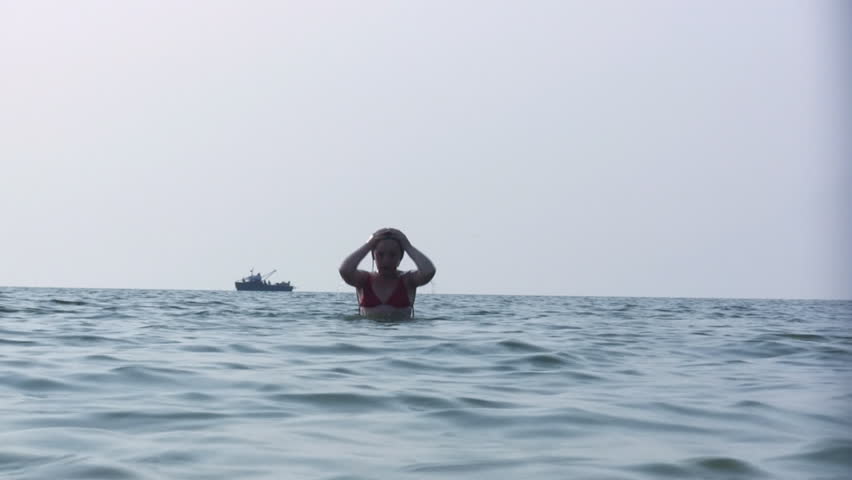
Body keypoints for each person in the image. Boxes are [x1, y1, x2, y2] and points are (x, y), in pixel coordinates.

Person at [339, 228, 436, 318]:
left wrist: (407, 245)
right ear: (373, 256)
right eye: (380, 255)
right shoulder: (364, 280)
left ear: (400, 257)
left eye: (392, 255)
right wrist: (369, 244)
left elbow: (428, 271)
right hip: (368, 334)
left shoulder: (408, 280)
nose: (386, 261)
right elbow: (345, 270)